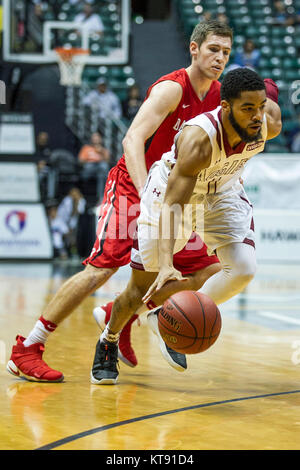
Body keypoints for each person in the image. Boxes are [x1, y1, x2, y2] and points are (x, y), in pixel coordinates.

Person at [7, 20, 233, 383]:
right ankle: (27, 348)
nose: (219, 57)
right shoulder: (171, 89)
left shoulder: (219, 95)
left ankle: (122, 314)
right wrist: (148, 196)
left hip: (173, 198)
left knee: (208, 269)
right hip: (134, 187)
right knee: (102, 268)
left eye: (225, 51)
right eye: (213, 49)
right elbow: (131, 141)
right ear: (194, 48)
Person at [90, 68, 282, 385]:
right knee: (143, 284)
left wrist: (263, 95)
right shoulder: (199, 140)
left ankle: (166, 317)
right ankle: (108, 338)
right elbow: (172, 206)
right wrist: (167, 264)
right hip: (172, 192)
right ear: (225, 108)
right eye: (247, 109)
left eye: (260, 107)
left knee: (244, 268)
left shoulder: (267, 124)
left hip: (222, 190)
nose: (256, 117)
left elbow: (269, 92)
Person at [78, 132, 110, 201]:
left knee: (103, 167)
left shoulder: (104, 150)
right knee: (91, 165)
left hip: (100, 170)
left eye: (97, 137)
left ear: (100, 139)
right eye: (94, 137)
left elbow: (107, 162)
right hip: (88, 169)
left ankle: (101, 198)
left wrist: (101, 152)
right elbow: (80, 161)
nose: (95, 139)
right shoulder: (86, 148)